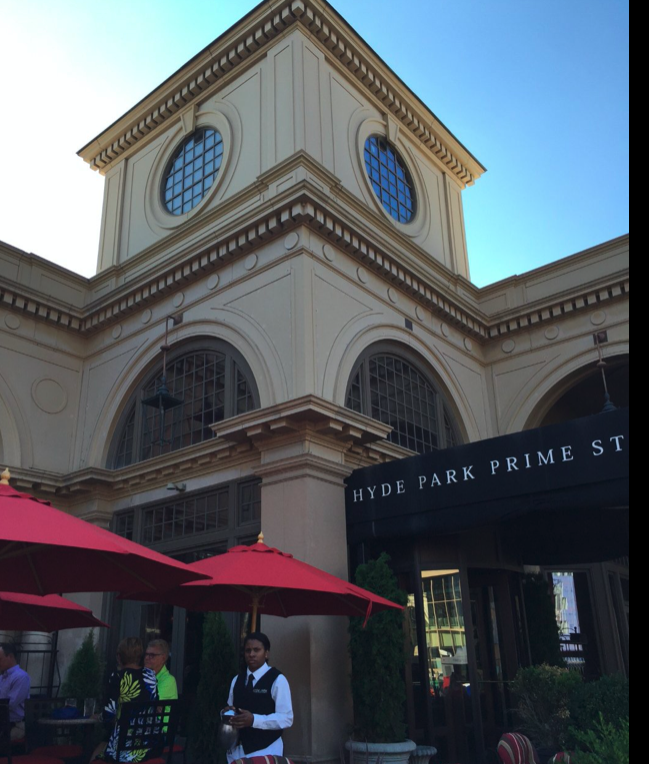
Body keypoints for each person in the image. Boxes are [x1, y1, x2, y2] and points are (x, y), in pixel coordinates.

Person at [223, 632, 293, 764]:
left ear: (266, 653)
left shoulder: (278, 680)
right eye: (248, 650)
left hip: (267, 750)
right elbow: (231, 710)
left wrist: (254, 720)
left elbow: (286, 718)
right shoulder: (236, 680)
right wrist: (227, 713)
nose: (251, 654)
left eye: (257, 650)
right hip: (237, 751)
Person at [93, 637, 158, 763]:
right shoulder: (150, 675)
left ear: (119, 657)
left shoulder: (118, 677)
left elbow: (108, 715)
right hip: (149, 746)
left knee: (97, 753)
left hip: (123, 750)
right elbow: (155, 705)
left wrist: (98, 716)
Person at [0, 643, 30, 741]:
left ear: (10, 657)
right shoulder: (2, 677)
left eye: (0, 659)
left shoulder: (21, 677)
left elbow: (9, 704)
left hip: (15, 724)